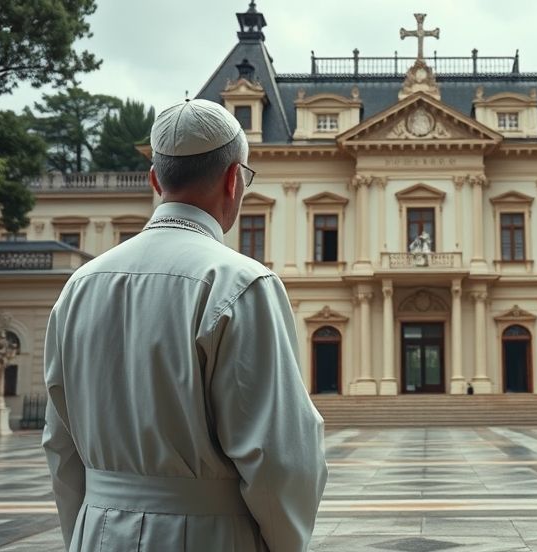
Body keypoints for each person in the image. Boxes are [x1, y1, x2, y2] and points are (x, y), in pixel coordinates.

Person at [42, 98, 328, 551]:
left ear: (156, 180)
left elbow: (60, 447)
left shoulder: (79, 285)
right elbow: (279, 459)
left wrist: (87, 528)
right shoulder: (241, 283)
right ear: (234, 180)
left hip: (97, 532)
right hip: (209, 536)